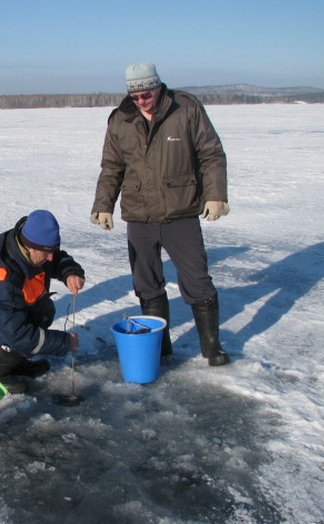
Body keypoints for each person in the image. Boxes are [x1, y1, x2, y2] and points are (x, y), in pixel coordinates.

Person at [90, 62, 230, 366]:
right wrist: (103, 204)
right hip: (139, 215)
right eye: (135, 95)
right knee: (147, 283)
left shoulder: (185, 109)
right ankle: (161, 349)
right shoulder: (120, 119)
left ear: (158, 86)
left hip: (181, 212)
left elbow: (211, 154)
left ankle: (211, 347)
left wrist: (216, 195)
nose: (141, 100)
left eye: (146, 93)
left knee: (197, 281)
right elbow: (112, 167)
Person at [0, 210, 86, 393]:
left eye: (52, 251)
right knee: (23, 331)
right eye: (47, 253)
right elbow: (16, 333)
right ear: (30, 246)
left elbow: (56, 260)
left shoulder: (32, 248)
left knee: (42, 313)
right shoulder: (0, 278)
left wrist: (70, 272)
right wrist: (62, 342)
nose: (51, 258)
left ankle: (13, 363)